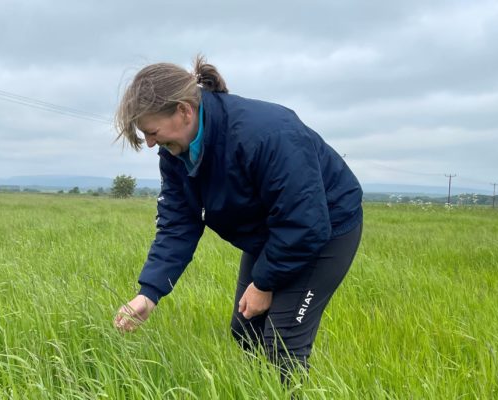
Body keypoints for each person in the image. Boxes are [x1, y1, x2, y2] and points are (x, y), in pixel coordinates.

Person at [113, 55, 363, 380]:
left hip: (325, 229)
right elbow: (179, 225)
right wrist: (150, 293)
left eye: (152, 131)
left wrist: (265, 282)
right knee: (245, 329)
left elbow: (305, 222)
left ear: (184, 111)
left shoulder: (265, 135)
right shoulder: (176, 153)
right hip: (273, 232)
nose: (150, 143)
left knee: (282, 346)